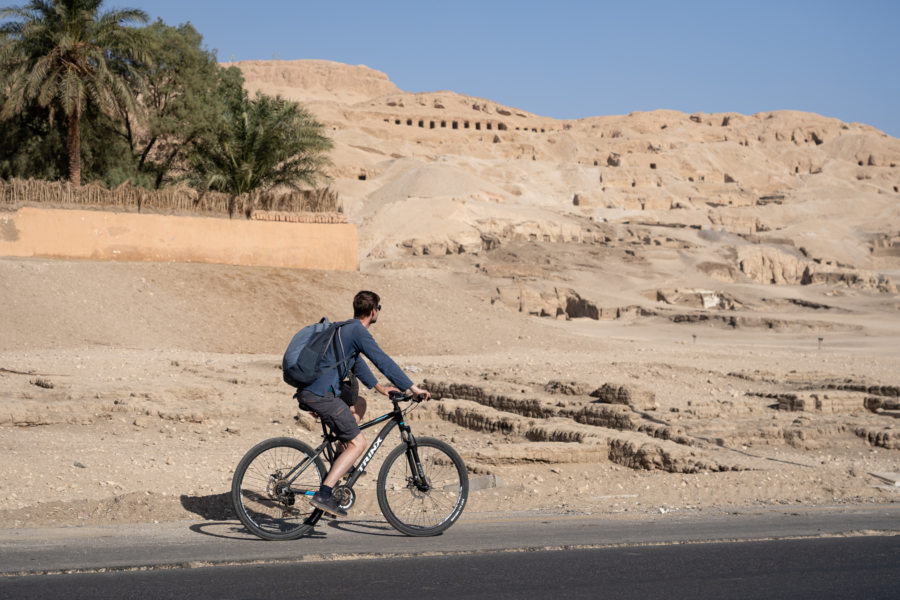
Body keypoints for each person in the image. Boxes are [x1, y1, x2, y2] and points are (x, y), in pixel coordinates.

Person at [301, 290, 430, 517]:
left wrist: (381, 388)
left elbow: (357, 363)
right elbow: (382, 361)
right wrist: (414, 388)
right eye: (378, 309)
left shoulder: (345, 329)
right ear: (373, 311)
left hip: (313, 392)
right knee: (359, 444)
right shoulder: (358, 331)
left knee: (359, 403)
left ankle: (342, 452)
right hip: (321, 395)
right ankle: (324, 493)